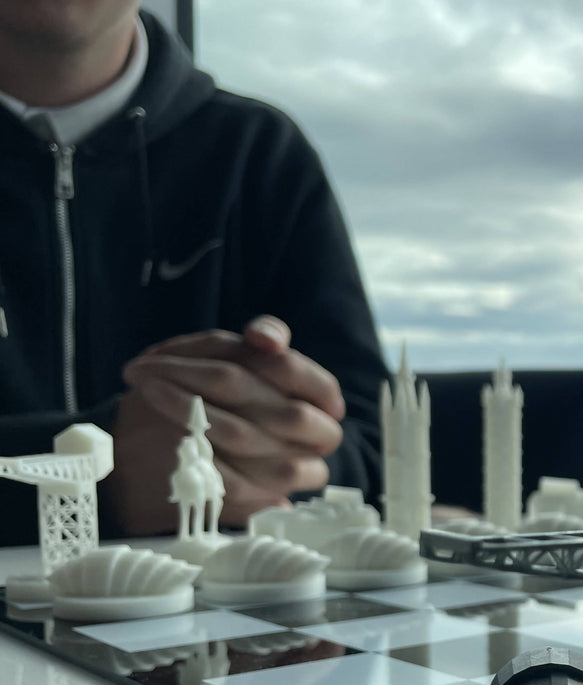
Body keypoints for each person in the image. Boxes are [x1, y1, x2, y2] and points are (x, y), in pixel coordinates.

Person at [0, 0, 388, 544]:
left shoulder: (261, 155)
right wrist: (96, 476)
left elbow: (372, 448)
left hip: (232, 590)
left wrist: (275, 449)